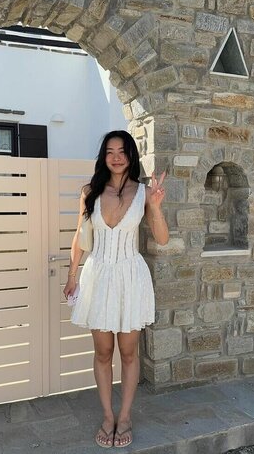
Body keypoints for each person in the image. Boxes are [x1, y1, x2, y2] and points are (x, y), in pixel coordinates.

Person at [63, 130, 169, 449]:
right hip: (98, 276)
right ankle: (108, 416)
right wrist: (72, 275)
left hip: (130, 277)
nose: (116, 157)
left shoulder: (144, 192)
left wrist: (156, 206)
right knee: (102, 352)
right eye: (110, 152)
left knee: (128, 352)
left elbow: (162, 239)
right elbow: (81, 236)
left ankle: (125, 417)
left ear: (131, 154)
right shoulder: (90, 192)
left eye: (122, 151)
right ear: (103, 157)